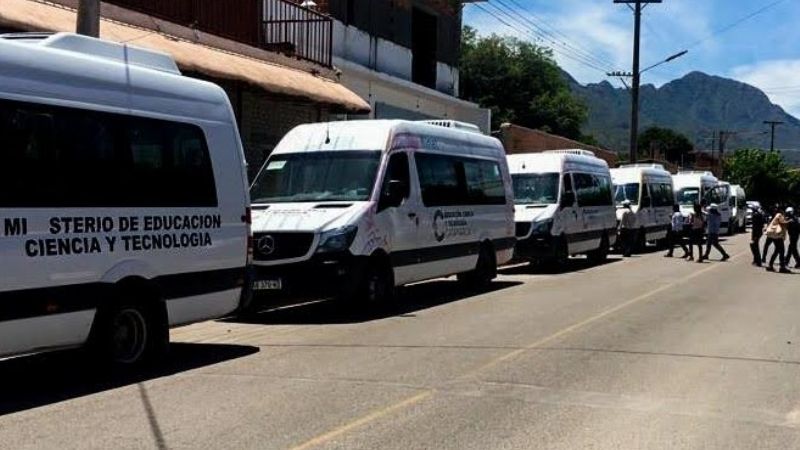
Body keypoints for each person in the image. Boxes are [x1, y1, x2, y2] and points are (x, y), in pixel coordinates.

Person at [765, 206, 790, 273]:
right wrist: (789, 221)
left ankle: (770, 265)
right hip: (777, 236)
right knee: (781, 251)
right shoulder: (779, 215)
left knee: (777, 251)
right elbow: (782, 223)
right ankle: (782, 267)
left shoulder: (778, 215)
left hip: (775, 236)